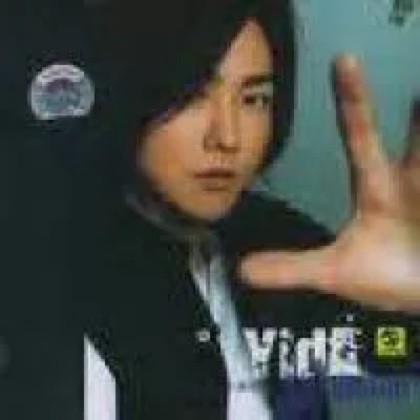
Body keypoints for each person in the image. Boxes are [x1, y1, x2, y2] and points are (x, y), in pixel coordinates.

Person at [86, 0, 420, 419]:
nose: (228, 137)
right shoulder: (58, 273)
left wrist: (413, 302)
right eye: (192, 96)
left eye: (254, 98)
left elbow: (394, 354)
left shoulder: (286, 251)